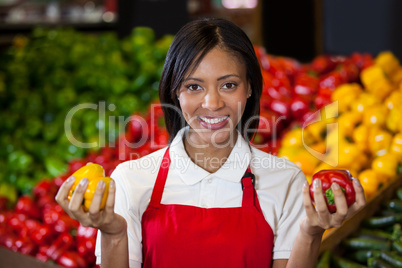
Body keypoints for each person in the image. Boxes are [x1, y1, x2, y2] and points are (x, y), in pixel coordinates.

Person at [56, 17, 366, 268]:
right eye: (193, 86)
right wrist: (112, 232)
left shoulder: (285, 181)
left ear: (249, 89)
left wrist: (311, 232)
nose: (212, 102)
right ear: (174, 93)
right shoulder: (131, 179)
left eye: (228, 85)